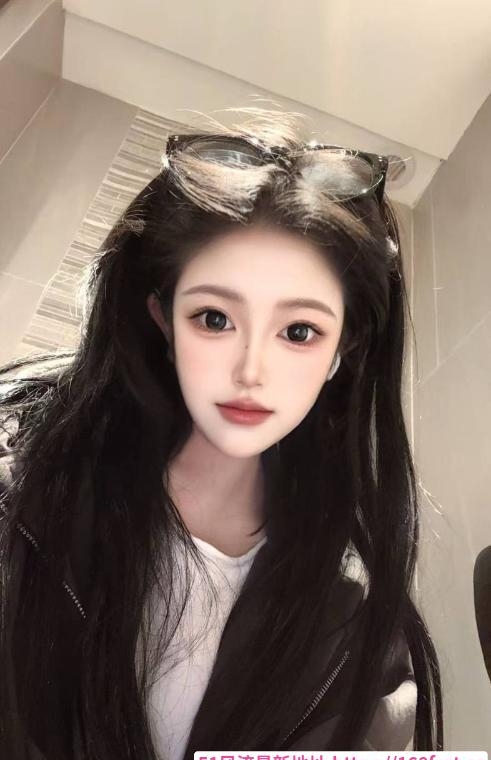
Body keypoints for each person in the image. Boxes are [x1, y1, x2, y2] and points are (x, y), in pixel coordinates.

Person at [0, 108, 443, 758]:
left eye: (299, 332)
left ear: (340, 353)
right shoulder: (23, 500)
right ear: (163, 320)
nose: (250, 371)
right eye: (213, 318)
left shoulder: (358, 629)